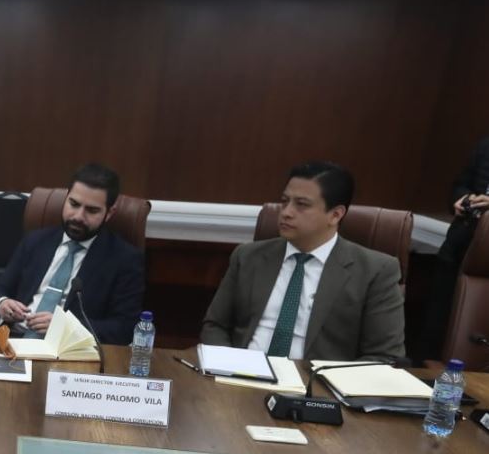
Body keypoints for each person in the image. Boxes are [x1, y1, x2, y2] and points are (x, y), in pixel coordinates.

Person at [201, 161, 406, 362]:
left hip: (317, 387)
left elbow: (384, 356)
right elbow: (215, 325)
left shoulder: (375, 271)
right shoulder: (248, 256)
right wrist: (228, 365)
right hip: (241, 377)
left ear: (335, 215)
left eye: (301, 205)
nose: (286, 212)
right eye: (285, 201)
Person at [0, 162, 144, 344]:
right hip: (12, 341)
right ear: (66, 198)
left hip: (70, 351)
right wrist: (2, 304)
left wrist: (66, 327)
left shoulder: (125, 259)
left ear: (109, 213)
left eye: (91, 210)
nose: (78, 216)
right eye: (74, 204)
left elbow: (124, 327)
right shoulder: (35, 241)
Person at [422, 135, 489, 357]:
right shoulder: (485, 144)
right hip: (460, 244)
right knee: (438, 322)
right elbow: (461, 183)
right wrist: (461, 198)